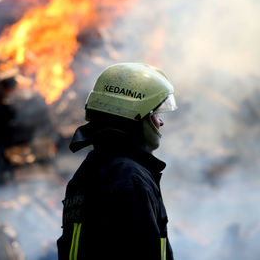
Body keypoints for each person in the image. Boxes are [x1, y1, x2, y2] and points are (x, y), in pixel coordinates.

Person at [57, 63, 177, 260]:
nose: (161, 122)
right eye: (156, 113)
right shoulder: (130, 179)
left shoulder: (90, 170)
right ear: (137, 114)